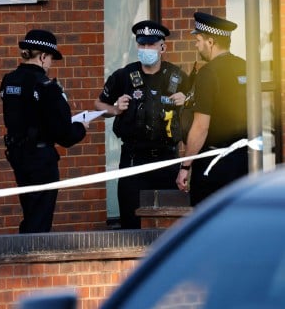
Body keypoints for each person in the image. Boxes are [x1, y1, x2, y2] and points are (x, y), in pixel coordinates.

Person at [95, 20, 189, 229]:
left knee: (170, 222)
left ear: (162, 47)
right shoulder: (124, 75)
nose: (146, 49)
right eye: (142, 45)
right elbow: (99, 103)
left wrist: (187, 100)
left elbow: (198, 109)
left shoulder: (177, 76)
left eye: (151, 44)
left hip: (167, 159)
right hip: (133, 160)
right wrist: (115, 109)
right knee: (131, 221)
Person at [0, 29, 87, 233]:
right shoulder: (46, 86)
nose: (50, 64)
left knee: (30, 209)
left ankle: (24, 251)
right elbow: (64, 133)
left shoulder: (9, 80)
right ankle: (30, 258)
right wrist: (81, 128)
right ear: (42, 56)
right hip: (40, 158)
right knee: (40, 215)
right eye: (50, 59)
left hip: (17, 154)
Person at [176, 12, 248, 206]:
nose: (196, 45)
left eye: (198, 40)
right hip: (244, 163)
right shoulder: (245, 67)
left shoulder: (208, 73)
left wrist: (185, 166)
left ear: (210, 41)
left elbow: (200, 127)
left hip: (214, 166)